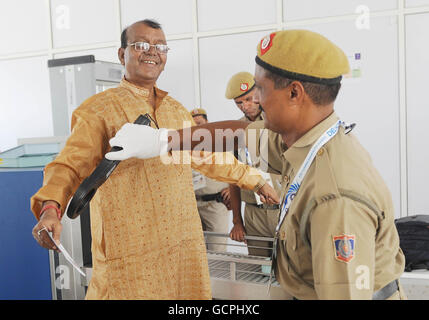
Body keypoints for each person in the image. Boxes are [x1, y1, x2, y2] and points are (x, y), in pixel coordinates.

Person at [107, 29, 407, 300]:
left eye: (260, 90)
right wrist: (164, 140)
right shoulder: (306, 140)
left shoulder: (335, 196)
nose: (256, 102)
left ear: (294, 93)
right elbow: (236, 134)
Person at [30, 19, 279, 300]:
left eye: (160, 46)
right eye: (140, 45)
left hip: (182, 245)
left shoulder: (177, 110)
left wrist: (256, 181)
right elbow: (68, 165)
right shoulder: (98, 110)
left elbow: (209, 156)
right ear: (122, 54)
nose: (152, 51)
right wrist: (50, 207)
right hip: (130, 251)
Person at [225, 72, 282, 257]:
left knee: (290, 269)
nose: (245, 106)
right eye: (239, 103)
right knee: (259, 270)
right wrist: (237, 221)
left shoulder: (278, 123)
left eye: (248, 99)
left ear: (258, 93)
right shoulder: (236, 129)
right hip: (253, 213)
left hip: (281, 209)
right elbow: (233, 176)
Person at [190, 108, 231, 252]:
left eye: (200, 123)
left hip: (216, 204)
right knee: (195, 252)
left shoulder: (221, 144)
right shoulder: (185, 147)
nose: (197, 128)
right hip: (193, 205)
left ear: (207, 123)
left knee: (218, 251)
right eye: (193, 125)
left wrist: (233, 190)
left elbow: (237, 167)